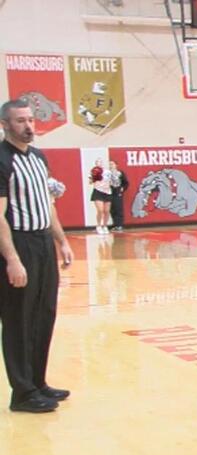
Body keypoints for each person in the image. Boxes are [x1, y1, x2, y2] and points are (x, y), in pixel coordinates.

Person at [0, 99, 74, 413]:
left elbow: (47, 204)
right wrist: (12, 259)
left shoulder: (39, 157)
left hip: (43, 241)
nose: (28, 126)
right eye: (20, 121)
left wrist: (62, 241)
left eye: (30, 119)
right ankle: (22, 393)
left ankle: (38, 382)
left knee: (44, 313)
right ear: (5, 125)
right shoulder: (3, 159)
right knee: (19, 318)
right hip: (19, 242)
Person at [89, 158, 112, 235]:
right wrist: (95, 177)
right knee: (100, 210)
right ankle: (98, 226)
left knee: (107, 210)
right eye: (98, 162)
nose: (100, 163)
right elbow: (90, 182)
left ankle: (105, 226)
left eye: (101, 162)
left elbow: (110, 182)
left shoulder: (108, 172)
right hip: (98, 191)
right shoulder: (93, 171)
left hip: (107, 192)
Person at [107, 161, 128, 232]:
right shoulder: (107, 173)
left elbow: (125, 183)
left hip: (118, 191)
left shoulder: (120, 173)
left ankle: (119, 225)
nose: (111, 165)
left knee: (118, 208)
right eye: (110, 164)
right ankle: (115, 224)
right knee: (112, 209)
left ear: (116, 165)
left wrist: (122, 188)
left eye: (112, 164)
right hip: (110, 192)